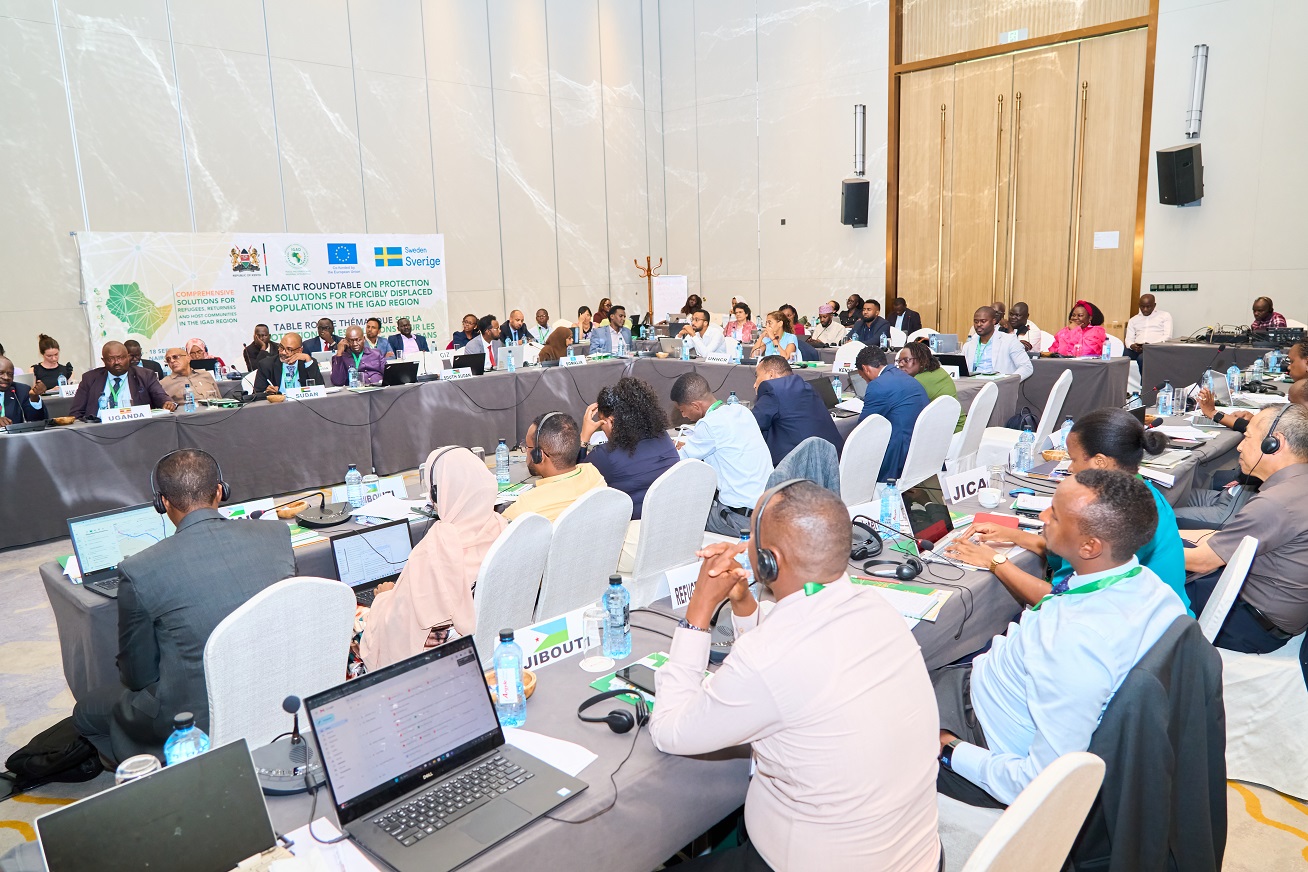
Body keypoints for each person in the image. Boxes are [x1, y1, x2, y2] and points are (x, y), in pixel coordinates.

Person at [650, 481, 941, 871]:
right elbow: (779, 668)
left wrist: (699, 610)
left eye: (749, 536)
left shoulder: (768, 657)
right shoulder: (877, 607)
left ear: (769, 561)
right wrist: (743, 602)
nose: (743, 545)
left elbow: (670, 731)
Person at [934, 469, 1187, 808]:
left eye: (1054, 514)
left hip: (983, 741)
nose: (1042, 516)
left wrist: (948, 748)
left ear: (1089, 546)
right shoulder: (1150, 587)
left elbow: (1039, 784)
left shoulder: (1076, 642)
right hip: (987, 692)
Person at [70, 449, 296, 763]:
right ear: (221, 491)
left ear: (162, 503)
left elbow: (137, 677)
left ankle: (159, 774)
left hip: (194, 718)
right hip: (278, 686)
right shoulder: (276, 534)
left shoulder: (139, 569)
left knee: (84, 712)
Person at [947, 408, 1190, 614]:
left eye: (1073, 459)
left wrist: (994, 561)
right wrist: (1013, 535)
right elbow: (1072, 552)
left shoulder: (1120, 516)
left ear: (1100, 462)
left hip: (1135, 635)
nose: (1070, 469)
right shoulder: (1138, 495)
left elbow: (1062, 601)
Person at [1182, 405, 1308, 673]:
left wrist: (1134, 545)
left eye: (1248, 437)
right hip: (1280, 612)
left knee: (1147, 586)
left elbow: (1202, 561)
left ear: (1274, 444)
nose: (1240, 447)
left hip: (1251, 624)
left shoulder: (1276, 503)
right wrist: (1169, 536)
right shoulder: (1297, 486)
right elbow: (1227, 539)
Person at [358, 447, 507, 670]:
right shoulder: (501, 526)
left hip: (438, 659)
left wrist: (385, 598)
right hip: (487, 643)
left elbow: (400, 623)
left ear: (437, 494)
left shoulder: (438, 546)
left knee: (357, 618)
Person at [1178, 380, 1308, 529]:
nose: (1240, 447)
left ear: (1273, 444)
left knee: (1163, 518)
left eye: (1292, 404)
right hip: (1232, 494)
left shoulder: (1273, 499)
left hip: (1238, 507)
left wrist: (1215, 413)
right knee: (1171, 497)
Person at [671, 373, 773, 536]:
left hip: (740, 520)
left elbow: (678, 462)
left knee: (679, 516)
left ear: (696, 406)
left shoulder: (708, 424)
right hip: (768, 511)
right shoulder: (742, 411)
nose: (683, 415)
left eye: (682, 410)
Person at [580, 378, 679, 518]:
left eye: (601, 422)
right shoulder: (663, 437)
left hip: (633, 525)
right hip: (670, 517)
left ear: (611, 421)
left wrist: (584, 438)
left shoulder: (605, 455)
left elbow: (577, 480)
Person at [503, 412, 607, 522]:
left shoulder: (527, 505)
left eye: (527, 447)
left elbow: (498, 530)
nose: (525, 451)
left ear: (539, 456)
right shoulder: (593, 474)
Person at [854, 346, 929, 482]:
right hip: (922, 446)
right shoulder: (907, 377)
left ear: (865, 369)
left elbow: (864, 428)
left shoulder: (877, 385)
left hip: (899, 453)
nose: (865, 380)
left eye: (862, 376)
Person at [752, 355, 843, 464]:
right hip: (832, 459)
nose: (755, 385)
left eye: (757, 376)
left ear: (771, 374)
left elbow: (751, 425)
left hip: (799, 466)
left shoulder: (773, 390)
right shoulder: (807, 387)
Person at [70, 341, 176, 417]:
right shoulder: (90, 378)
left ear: (127, 357)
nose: (116, 362)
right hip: (99, 429)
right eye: (111, 359)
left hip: (137, 426)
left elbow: (160, 396)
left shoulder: (145, 375)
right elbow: (76, 413)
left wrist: (166, 402)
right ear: (103, 360)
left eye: (120, 358)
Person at [896, 343, 963, 432]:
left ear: (921, 360)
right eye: (899, 361)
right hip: (958, 428)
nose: (901, 364)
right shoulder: (939, 371)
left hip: (949, 432)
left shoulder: (917, 382)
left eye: (906, 360)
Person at [962, 306, 1033, 380]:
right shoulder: (968, 345)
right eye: (976, 322)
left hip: (998, 384)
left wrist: (1009, 382)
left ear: (993, 321)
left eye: (983, 321)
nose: (979, 324)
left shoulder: (1009, 341)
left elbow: (1026, 367)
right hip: (973, 384)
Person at [252, 331, 324, 393]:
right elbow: (256, 394)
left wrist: (308, 360)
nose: (283, 352)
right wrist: (266, 392)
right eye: (281, 347)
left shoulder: (308, 362)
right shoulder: (266, 365)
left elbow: (321, 389)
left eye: (289, 349)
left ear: (300, 350)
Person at [1123, 293, 1172, 362]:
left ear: (1154, 305)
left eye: (1148, 307)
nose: (1145, 309)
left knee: (1142, 358)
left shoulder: (1164, 316)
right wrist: (1132, 346)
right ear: (1139, 305)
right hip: (1138, 349)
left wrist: (1150, 345)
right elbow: (1129, 339)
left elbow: (1167, 336)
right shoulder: (1133, 320)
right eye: (1142, 306)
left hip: (1155, 348)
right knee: (1125, 354)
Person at [0, 356, 46, 424]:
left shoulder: (21, 391)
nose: (6, 377)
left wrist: (34, 398)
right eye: (0, 373)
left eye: (10, 374)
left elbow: (37, 421)